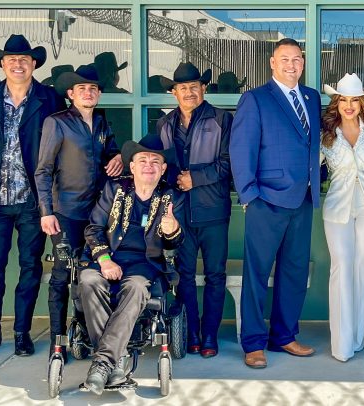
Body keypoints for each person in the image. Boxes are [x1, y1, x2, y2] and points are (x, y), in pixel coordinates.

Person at [0, 34, 66, 359]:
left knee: (29, 267)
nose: (18, 63)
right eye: (11, 59)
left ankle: (22, 332)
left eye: (24, 58)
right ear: (2, 63)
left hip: (32, 202)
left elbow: (66, 139)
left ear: (34, 63)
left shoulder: (49, 98)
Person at [230, 38, 322, 369]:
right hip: (266, 199)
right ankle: (253, 343)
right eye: (285, 59)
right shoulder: (255, 99)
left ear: (303, 62)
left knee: (294, 272)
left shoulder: (311, 97)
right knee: (257, 273)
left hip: (303, 199)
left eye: (297, 59)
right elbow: (241, 150)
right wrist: (249, 195)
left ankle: (284, 336)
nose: (291, 65)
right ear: (272, 62)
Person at [80, 139, 183, 395]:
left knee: (136, 287)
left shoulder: (170, 196)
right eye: (143, 161)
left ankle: (102, 363)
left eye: (155, 162)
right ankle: (116, 361)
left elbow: (177, 241)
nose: (149, 166)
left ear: (163, 169)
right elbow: (94, 228)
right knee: (88, 281)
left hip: (144, 264)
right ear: (133, 167)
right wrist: (104, 260)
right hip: (109, 257)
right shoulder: (114, 189)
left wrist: (172, 231)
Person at [35, 65, 123, 355]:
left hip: (97, 214)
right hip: (65, 212)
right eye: (82, 88)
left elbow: (110, 156)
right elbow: (43, 170)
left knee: (92, 271)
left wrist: (119, 157)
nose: (88, 92)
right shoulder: (56, 122)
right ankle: (57, 341)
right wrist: (46, 211)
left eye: (93, 89)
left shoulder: (101, 122)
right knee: (62, 273)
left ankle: (85, 331)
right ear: (71, 94)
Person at [154, 62, 233, 358]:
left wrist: (194, 178)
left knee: (215, 274)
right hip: (179, 213)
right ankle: (192, 333)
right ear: (174, 92)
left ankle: (210, 335)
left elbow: (229, 164)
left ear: (203, 89)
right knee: (184, 275)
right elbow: (158, 164)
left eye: (194, 87)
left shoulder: (222, 120)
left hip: (213, 210)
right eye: (183, 88)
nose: (189, 92)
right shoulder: (163, 125)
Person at [320, 73, 364, 362]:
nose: (349, 105)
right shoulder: (325, 132)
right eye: (343, 100)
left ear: (363, 103)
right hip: (337, 206)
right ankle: (342, 343)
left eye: (355, 100)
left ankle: (358, 337)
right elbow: (307, 167)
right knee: (341, 267)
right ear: (336, 103)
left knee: (362, 267)